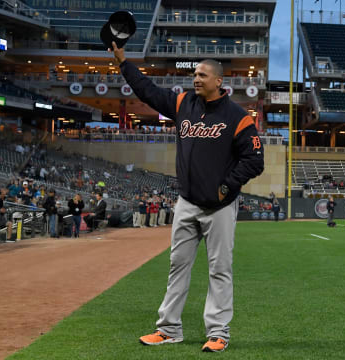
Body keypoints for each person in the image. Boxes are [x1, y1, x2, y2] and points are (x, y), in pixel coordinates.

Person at [110, 41, 264, 352]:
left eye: (203, 75)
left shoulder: (237, 117)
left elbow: (255, 160)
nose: (196, 79)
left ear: (218, 81)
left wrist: (227, 186)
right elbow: (148, 91)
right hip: (187, 203)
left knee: (219, 269)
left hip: (219, 206)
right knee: (177, 265)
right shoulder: (183, 104)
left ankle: (218, 333)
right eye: (195, 74)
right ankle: (168, 329)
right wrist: (124, 62)